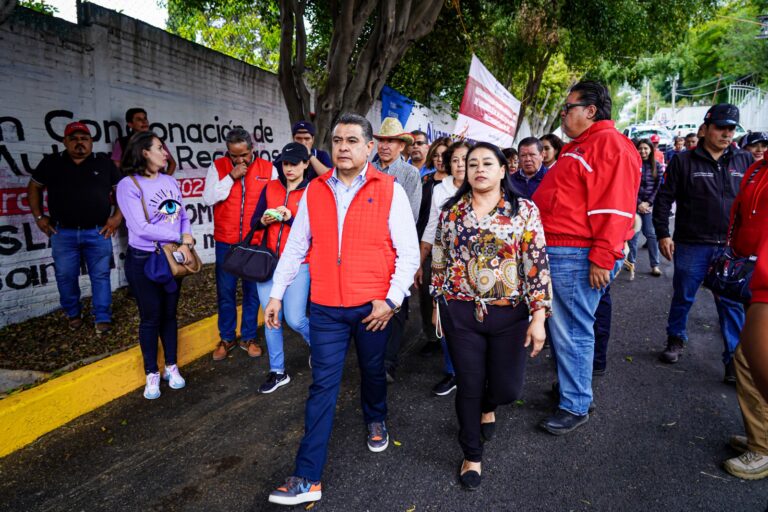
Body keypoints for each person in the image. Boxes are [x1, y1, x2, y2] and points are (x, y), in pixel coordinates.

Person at [265, 113, 419, 506]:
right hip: (327, 308)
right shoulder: (315, 190)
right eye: (337, 140)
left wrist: (392, 299)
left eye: (352, 140)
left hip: (373, 307)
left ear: (369, 147)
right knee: (322, 387)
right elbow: (297, 245)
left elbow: (408, 253)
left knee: (372, 371)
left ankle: (376, 417)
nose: (343, 147)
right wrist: (277, 294)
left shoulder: (390, 189)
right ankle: (307, 476)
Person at [431, 142, 550, 489]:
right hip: (461, 312)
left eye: (487, 163)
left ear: (503, 170)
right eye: (472, 164)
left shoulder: (523, 210)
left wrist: (539, 316)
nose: (479, 169)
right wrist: (439, 303)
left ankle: (490, 404)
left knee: (507, 388)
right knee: (468, 384)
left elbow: (537, 264)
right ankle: (472, 453)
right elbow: (439, 259)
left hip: (509, 315)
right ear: (465, 172)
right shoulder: (451, 212)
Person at [533, 81, 641, 435]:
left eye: (568, 108)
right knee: (566, 328)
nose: (563, 115)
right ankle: (573, 388)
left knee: (573, 330)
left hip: (578, 254)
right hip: (568, 252)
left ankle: (575, 403)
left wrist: (603, 257)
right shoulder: (587, 145)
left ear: (590, 110)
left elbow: (615, 208)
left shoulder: (609, 145)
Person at [652, 104, 752, 382]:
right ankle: (675, 339)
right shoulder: (684, 161)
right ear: (705, 129)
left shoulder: (743, 160)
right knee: (684, 295)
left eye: (731, 128)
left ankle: (733, 359)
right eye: (721, 127)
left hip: (731, 248)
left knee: (731, 303)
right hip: (692, 244)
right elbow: (664, 199)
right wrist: (662, 233)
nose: (727, 133)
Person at [116, 131, 192, 399]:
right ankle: (152, 373)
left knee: (170, 315)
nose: (165, 153)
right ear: (144, 152)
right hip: (145, 261)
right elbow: (140, 227)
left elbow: (183, 216)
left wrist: (186, 241)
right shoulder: (128, 185)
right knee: (151, 318)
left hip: (172, 258)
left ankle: (171, 366)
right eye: (160, 148)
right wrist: (178, 237)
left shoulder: (170, 181)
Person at [28, 121, 122, 334]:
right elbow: (34, 186)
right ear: (65, 141)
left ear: (91, 142)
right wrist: (39, 216)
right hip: (63, 232)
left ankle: (102, 317)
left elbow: (122, 192)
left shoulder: (104, 163)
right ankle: (73, 314)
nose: (79, 142)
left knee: (100, 275)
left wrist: (117, 217)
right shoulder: (51, 162)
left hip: (98, 231)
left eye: (84, 138)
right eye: (74, 138)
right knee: (65, 275)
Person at [203, 128, 277, 360]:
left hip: (254, 241)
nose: (239, 160)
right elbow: (208, 197)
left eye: (243, 155)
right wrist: (231, 176)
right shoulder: (218, 167)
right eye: (233, 155)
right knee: (225, 291)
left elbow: (274, 201)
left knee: (251, 292)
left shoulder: (268, 169)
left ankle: (248, 337)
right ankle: (226, 338)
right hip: (226, 241)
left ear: (252, 150)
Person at [249, 142, 312, 394]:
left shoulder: (313, 191)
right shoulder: (270, 188)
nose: (289, 168)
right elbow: (255, 222)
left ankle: (319, 348)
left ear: (306, 164)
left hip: (299, 262)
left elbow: (316, 230)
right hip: (269, 262)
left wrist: (291, 219)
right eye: (285, 163)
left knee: (296, 319)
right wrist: (263, 221)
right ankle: (278, 371)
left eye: (295, 163)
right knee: (272, 318)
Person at [722, 158, 768, 479]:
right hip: (752, 277)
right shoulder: (757, 168)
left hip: (763, 282)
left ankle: (762, 446)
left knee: (749, 361)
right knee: (747, 359)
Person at [417, 141, 471, 396]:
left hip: (477, 267)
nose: (460, 164)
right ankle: (452, 372)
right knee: (446, 319)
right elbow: (431, 226)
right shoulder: (441, 190)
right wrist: (420, 261)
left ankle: (475, 370)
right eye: (456, 160)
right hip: (445, 263)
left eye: (465, 159)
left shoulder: (483, 186)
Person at [372, 117, 421, 382]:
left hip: (396, 249)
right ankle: (374, 358)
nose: (385, 146)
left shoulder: (410, 174)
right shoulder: (366, 168)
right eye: (381, 141)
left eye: (391, 141)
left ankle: (389, 362)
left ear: (402, 146)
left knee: (397, 306)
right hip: (368, 249)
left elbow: (411, 216)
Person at [414, 138, 452, 361]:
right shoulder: (426, 180)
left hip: (449, 248)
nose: (440, 160)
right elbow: (423, 216)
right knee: (427, 291)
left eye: (444, 156)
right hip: (426, 243)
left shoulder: (459, 184)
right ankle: (432, 337)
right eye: (436, 155)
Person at [625, 138, 663, 279]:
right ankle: (631, 262)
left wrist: (648, 203)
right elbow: (629, 186)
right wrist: (639, 203)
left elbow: (658, 187)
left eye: (646, 148)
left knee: (651, 235)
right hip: (633, 205)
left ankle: (655, 264)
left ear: (651, 150)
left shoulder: (657, 166)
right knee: (633, 235)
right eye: (640, 148)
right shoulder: (632, 165)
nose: (643, 151)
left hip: (648, 207)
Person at [112, 108, 177, 175]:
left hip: (156, 183)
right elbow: (116, 168)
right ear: (130, 124)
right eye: (139, 119)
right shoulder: (122, 142)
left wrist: (165, 181)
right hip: (135, 184)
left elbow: (172, 163)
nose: (144, 122)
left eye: (145, 118)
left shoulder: (157, 141)